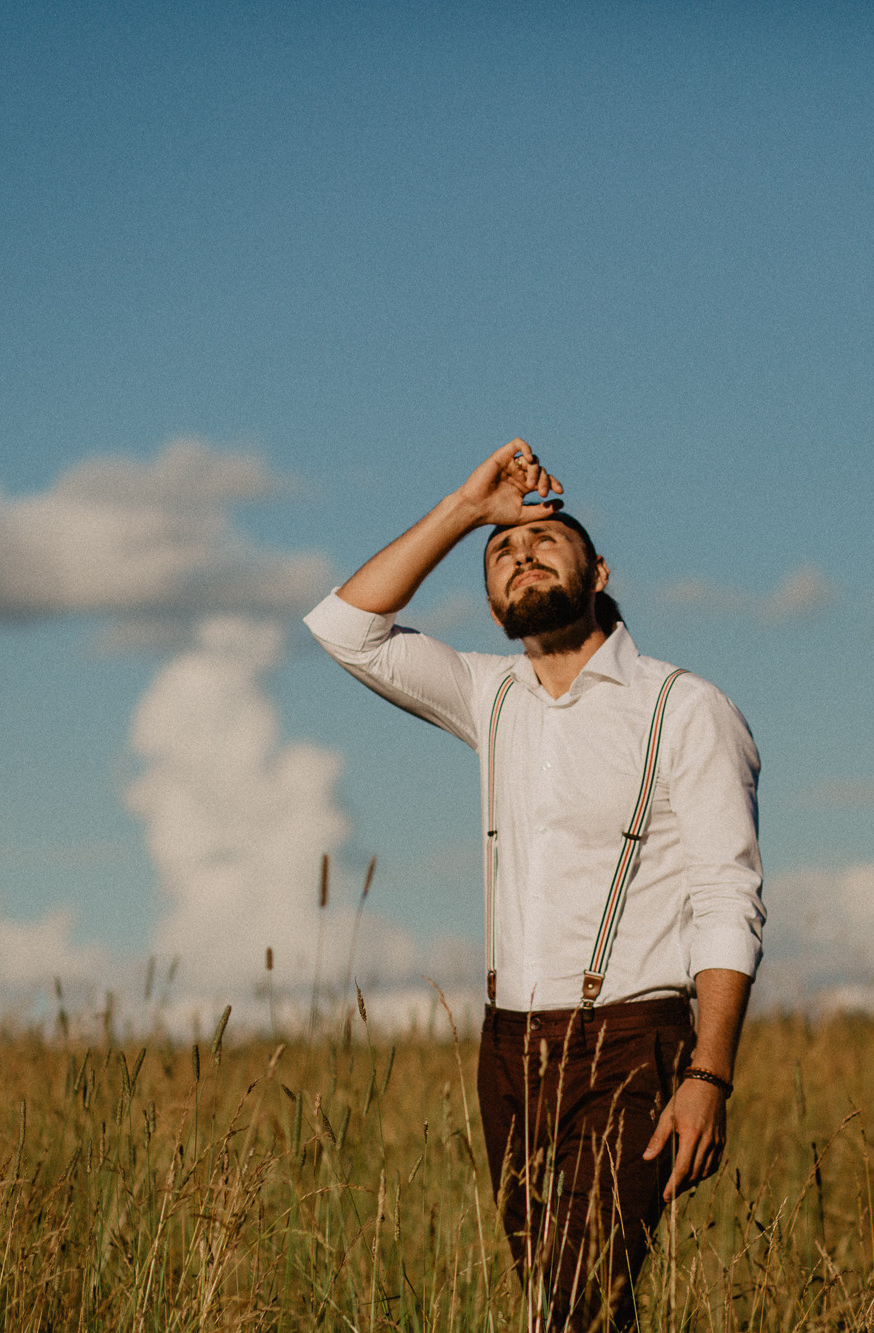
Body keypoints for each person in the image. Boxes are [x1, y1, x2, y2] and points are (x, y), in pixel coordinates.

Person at [303, 439, 763, 1330]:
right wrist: (468, 509)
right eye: (503, 554)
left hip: (634, 1038)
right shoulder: (491, 693)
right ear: (489, 601)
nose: (522, 555)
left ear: (597, 572)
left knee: (572, 1300)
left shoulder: (684, 706)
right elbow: (341, 626)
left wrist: (710, 1070)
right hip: (508, 1049)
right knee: (563, 1306)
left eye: (545, 541)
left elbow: (727, 895)